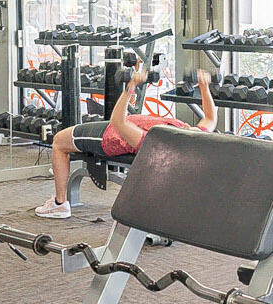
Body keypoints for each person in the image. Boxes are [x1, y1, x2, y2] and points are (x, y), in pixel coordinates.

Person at [34, 62, 212, 219]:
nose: (193, 128)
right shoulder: (191, 134)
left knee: (59, 141)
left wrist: (130, 87)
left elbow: (118, 122)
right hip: (117, 126)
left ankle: (59, 204)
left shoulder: (156, 141)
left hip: (108, 136)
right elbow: (210, 119)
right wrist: (204, 87)